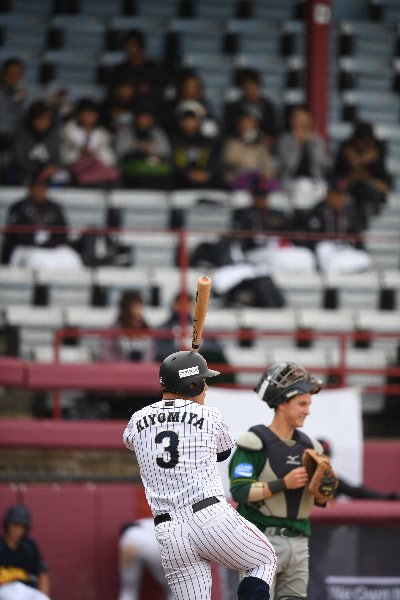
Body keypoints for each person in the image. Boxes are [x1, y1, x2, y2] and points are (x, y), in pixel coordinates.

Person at [123, 350, 277, 600]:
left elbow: (131, 442)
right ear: (191, 383)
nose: (206, 388)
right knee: (263, 560)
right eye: (203, 381)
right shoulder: (211, 415)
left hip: (168, 532)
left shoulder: (137, 418)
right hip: (209, 516)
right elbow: (223, 453)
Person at [229, 361, 335, 600]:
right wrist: (283, 483)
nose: (307, 410)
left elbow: (318, 499)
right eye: (302, 404)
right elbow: (240, 491)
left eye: (309, 404)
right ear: (282, 404)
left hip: (299, 542)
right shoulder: (254, 441)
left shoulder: (312, 447)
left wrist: (323, 493)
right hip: (261, 540)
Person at [1, 169, 82, 269]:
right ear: (30, 189)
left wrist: (52, 243)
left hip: (52, 247)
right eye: (37, 188)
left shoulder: (54, 207)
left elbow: (62, 231)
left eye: (43, 188)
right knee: (37, 262)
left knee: (73, 259)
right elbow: (15, 235)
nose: (41, 191)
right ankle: (40, 285)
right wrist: (36, 243)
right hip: (27, 248)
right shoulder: (18, 207)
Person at [301, 176, 372, 274]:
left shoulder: (350, 212)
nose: (340, 198)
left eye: (343, 195)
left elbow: (357, 236)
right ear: (328, 195)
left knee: (365, 259)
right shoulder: (317, 211)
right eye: (337, 195)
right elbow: (312, 239)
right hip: (325, 247)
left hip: (344, 247)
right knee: (325, 255)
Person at [334, 120, 391, 224]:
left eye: (365, 142)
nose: (361, 146)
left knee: (366, 190)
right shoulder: (345, 150)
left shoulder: (377, 153)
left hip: (371, 193)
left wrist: (367, 163)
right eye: (359, 142)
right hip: (349, 190)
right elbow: (338, 177)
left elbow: (384, 185)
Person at [276, 106, 330, 211]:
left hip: (314, 181)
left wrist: (310, 143)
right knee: (302, 186)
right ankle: (301, 219)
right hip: (291, 181)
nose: (301, 123)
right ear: (291, 121)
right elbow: (289, 165)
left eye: (304, 120)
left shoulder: (317, 140)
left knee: (323, 189)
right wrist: (297, 144)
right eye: (298, 119)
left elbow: (320, 164)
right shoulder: (284, 140)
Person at [61, 97, 120, 187]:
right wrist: (79, 154)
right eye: (86, 114)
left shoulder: (102, 134)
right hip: (77, 166)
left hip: (97, 166)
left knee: (114, 172)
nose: (89, 117)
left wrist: (95, 155)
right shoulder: (69, 132)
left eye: (92, 114)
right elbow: (64, 156)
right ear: (79, 115)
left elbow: (110, 159)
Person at [0, 504, 51, 599]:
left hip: (26, 588)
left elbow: (42, 573)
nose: (18, 530)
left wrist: (43, 595)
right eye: (15, 525)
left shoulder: (30, 546)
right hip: (4, 589)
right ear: (7, 525)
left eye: (22, 527)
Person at [12, 100, 68, 186]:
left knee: (64, 177)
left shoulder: (54, 134)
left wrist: (52, 168)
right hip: (27, 172)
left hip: (49, 172)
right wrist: (39, 170)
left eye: (46, 120)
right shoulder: (23, 134)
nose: (43, 123)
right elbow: (19, 160)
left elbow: (59, 158)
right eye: (40, 119)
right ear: (32, 120)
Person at [170, 103, 222, 189]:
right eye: (186, 120)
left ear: (199, 121)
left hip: (208, 184)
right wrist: (188, 174)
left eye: (192, 120)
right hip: (181, 185)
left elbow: (216, 162)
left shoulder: (208, 142)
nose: (189, 123)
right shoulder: (175, 142)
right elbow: (173, 163)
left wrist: (208, 174)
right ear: (180, 122)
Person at [118, 518, 173, 600]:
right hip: (154, 544)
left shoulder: (139, 525)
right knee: (173, 591)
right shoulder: (151, 522)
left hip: (128, 540)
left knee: (128, 590)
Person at [223, 68, 280, 145]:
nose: (250, 90)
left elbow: (273, 130)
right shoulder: (233, 107)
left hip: (262, 144)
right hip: (240, 144)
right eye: (247, 87)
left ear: (258, 87)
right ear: (243, 88)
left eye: (253, 86)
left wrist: (269, 139)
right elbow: (229, 131)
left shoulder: (268, 106)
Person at [222, 110, 276, 190]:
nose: (247, 129)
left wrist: (265, 174)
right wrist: (246, 145)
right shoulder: (232, 144)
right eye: (244, 126)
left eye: (250, 126)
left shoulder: (261, 146)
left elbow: (268, 166)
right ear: (238, 127)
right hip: (238, 181)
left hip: (259, 183)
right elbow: (230, 161)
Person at [0, 58, 27, 180]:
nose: (14, 77)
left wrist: (22, 102)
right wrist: (5, 130)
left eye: (18, 74)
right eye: (11, 73)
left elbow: (25, 120)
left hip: (17, 139)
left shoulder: (22, 95)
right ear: (3, 73)